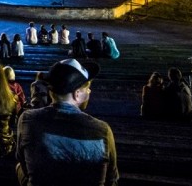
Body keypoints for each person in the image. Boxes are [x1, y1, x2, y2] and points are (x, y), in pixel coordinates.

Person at [16, 58, 118, 186]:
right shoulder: (102, 130)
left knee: (19, 167)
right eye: (87, 88)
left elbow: (24, 163)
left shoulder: (27, 120)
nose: (89, 91)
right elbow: (112, 178)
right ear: (77, 94)